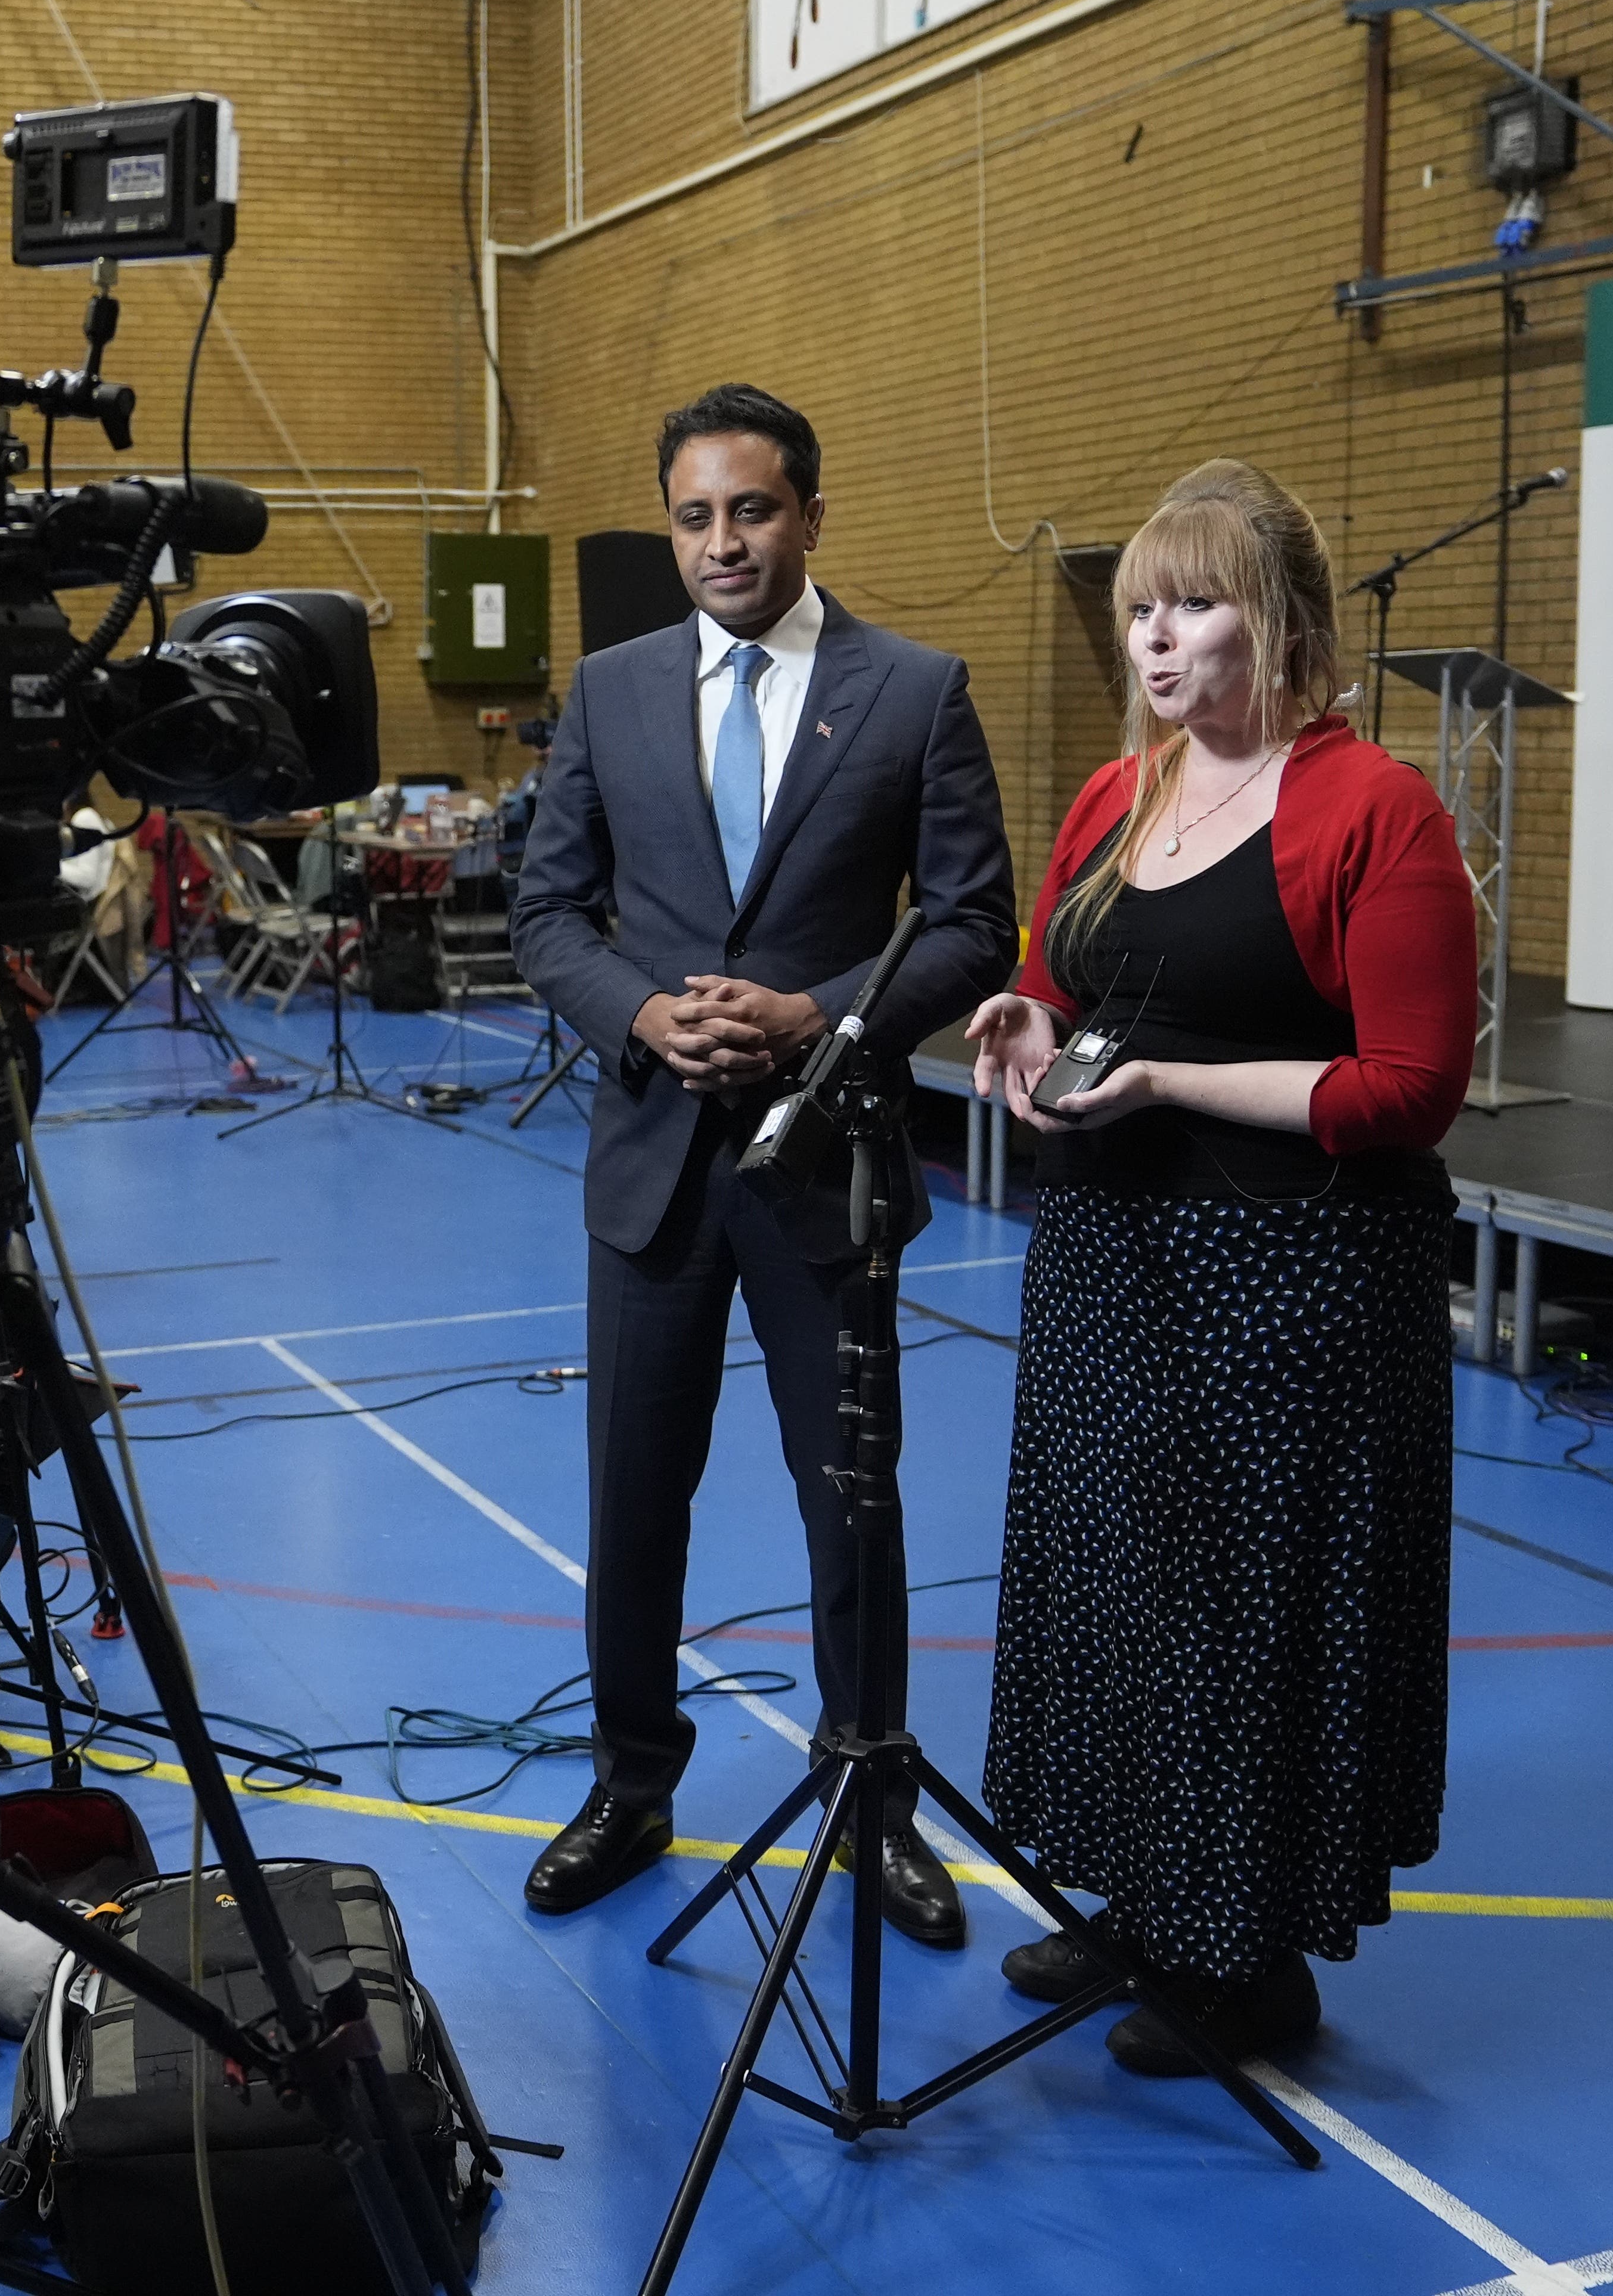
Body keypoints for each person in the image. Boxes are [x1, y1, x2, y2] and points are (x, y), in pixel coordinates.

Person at [965, 458, 1473, 2073]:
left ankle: (1249, 1965)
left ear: (1284, 625)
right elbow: (1059, 970)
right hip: (1115, 1264)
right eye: (1139, 614)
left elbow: (1409, 1086)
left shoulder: (1376, 810)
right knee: (1122, 1595)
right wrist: (1022, 1017)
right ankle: (1143, 1902)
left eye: (1191, 607)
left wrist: (1172, 1083)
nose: (1156, 644)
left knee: (1245, 1619)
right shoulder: (1120, 798)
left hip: (1296, 1280)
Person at [509, 383, 1016, 1929]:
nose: (723, 541)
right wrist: (651, 1014)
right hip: (653, 1160)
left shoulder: (916, 691)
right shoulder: (607, 692)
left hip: (828, 1165)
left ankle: (872, 1789)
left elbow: (976, 922)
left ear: (809, 512)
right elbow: (547, 916)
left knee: (849, 1491)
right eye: (695, 516)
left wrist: (819, 1015)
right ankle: (631, 1783)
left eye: (752, 510)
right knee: (632, 1498)